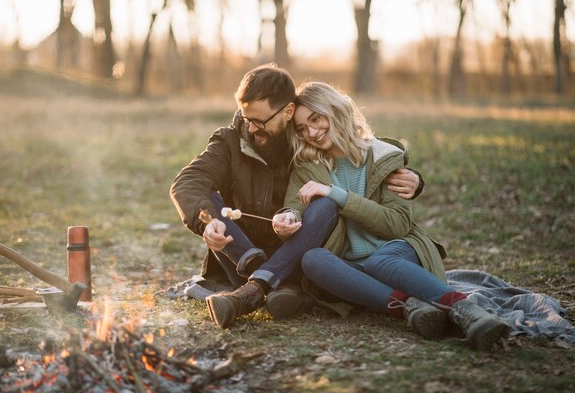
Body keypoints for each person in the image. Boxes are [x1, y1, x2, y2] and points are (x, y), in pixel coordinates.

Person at [170, 64, 422, 328]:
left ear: (288, 111)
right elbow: (187, 182)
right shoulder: (231, 142)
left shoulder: (308, 138)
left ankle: (262, 289)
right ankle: (272, 285)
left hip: (303, 253)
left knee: (325, 202)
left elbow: (359, 148)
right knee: (208, 198)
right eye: (246, 118)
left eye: (260, 121)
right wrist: (208, 221)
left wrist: (412, 176)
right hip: (243, 257)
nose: (252, 128)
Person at [275, 81, 510, 350]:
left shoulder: (383, 156)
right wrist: (287, 219)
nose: (312, 133)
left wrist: (335, 194)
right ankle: (410, 308)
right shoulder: (307, 167)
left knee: (379, 260)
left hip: (398, 250)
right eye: (302, 129)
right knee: (312, 259)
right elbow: (293, 207)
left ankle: (467, 310)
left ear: (335, 109)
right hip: (353, 266)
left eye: (316, 119)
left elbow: (397, 225)